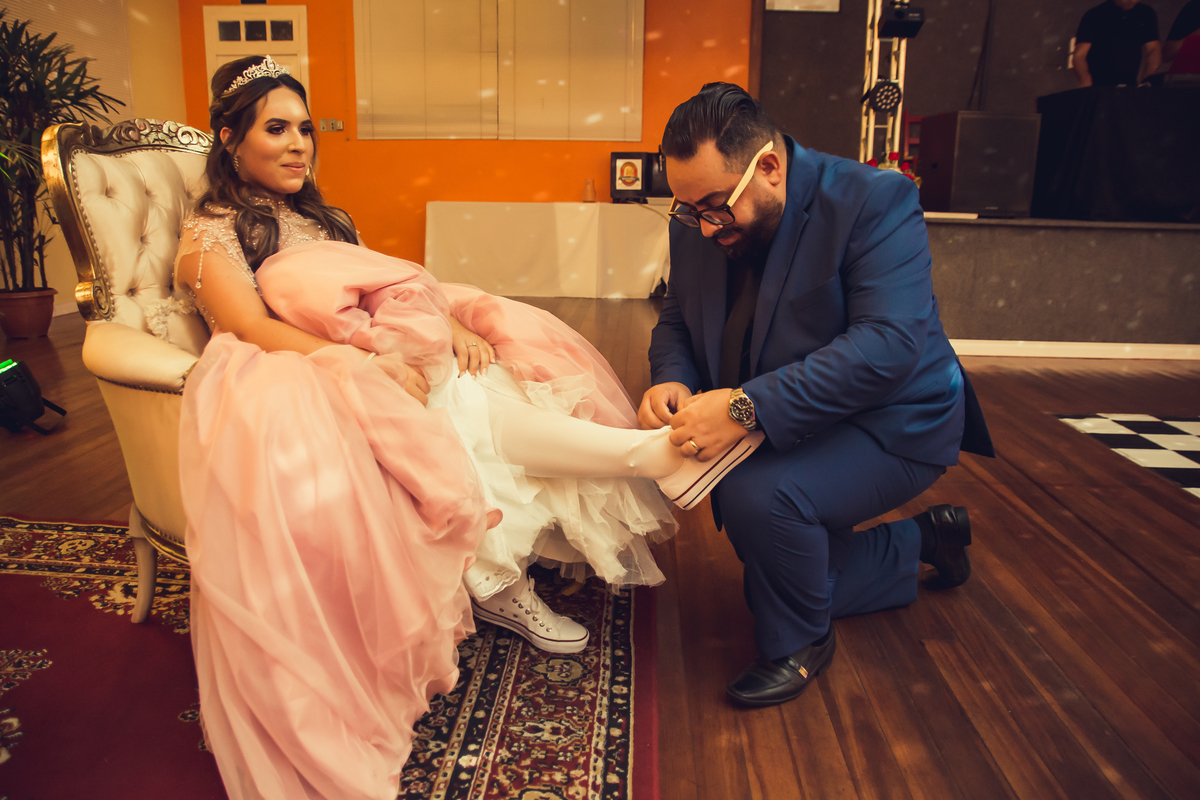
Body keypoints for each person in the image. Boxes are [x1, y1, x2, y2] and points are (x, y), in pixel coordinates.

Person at [172, 56, 738, 800]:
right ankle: (628, 473)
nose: (299, 144)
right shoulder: (211, 233)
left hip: (370, 348)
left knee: (489, 370)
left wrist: (444, 324)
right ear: (229, 138)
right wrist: (365, 364)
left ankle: (611, 484)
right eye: (276, 129)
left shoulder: (322, 219)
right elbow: (250, 326)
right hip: (293, 373)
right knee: (451, 404)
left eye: (305, 129)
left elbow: (383, 289)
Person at [639, 83, 993, 708]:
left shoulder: (873, 199)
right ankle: (923, 541)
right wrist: (672, 377)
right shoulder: (698, 216)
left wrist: (744, 407)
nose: (703, 226)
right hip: (793, 409)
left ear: (769, 168)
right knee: (772, 549)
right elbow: (676, 317)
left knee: (760, 500)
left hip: (894, 417)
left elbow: (887, 346)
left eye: (715, 207)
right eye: (688, 210)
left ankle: (801, 640)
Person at [1074, 0, 1162, 87]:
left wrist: (1146, 81)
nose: (1132, 1)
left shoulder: (1146, 13)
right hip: (1098, 86)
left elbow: (1153, 50)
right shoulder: (1094, 15)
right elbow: (1079, 55)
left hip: (1129, 86)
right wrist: (1085, 80)